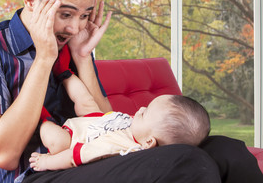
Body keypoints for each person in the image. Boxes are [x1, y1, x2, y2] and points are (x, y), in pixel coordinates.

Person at [0, 0, 263, 183]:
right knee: (187, 161)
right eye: (65, 14)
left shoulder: (74, 42)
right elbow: (3, 155)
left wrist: (82, 58)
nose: (75, 27)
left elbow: (107, 121)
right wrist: (44, 58)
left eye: (84, 15)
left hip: (101, 155)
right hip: (41, 172)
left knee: (229, 151)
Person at [29, 49, 211, 171]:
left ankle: (40, 113)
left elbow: (72, 157)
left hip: (73, 138)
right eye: (146, 107)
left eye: (145, 113)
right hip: (97, 120)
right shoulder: (140, 128)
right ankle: (64, 72)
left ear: (148, 142)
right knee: (86, 101)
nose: (140, 108)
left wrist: (46, 162)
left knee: (56, 141)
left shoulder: (116, 148)